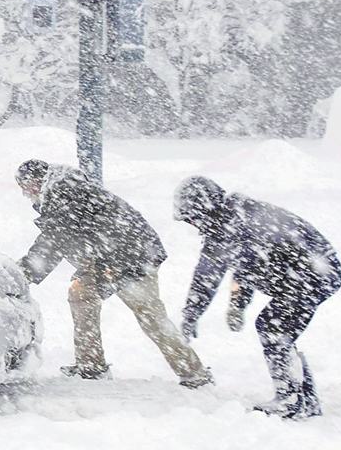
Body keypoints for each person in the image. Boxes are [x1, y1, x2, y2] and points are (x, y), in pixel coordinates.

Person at [15, 159, 212, 387]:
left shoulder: (64, 192)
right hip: (110, 259)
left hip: (134, 259)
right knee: (81, 296)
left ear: (35, 181)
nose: (24, 192)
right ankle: (91, 365)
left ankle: (195, 374)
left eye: (24, 186)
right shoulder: (62, 192)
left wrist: (24, 273)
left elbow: (53, 241)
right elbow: (71, 236)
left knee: (151, 318)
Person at [174, 176, 341, 419]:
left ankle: (291, 401)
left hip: (312, 273)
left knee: (273, 329)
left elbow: (210, 274)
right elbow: (243, 268)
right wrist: (231, 306)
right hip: (313, 271)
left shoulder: (230, 224)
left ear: (203, 208)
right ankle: (303, 402)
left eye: (192, 217)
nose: (193, 224)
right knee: (278, 331)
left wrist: (197, 312)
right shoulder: (232, 216)